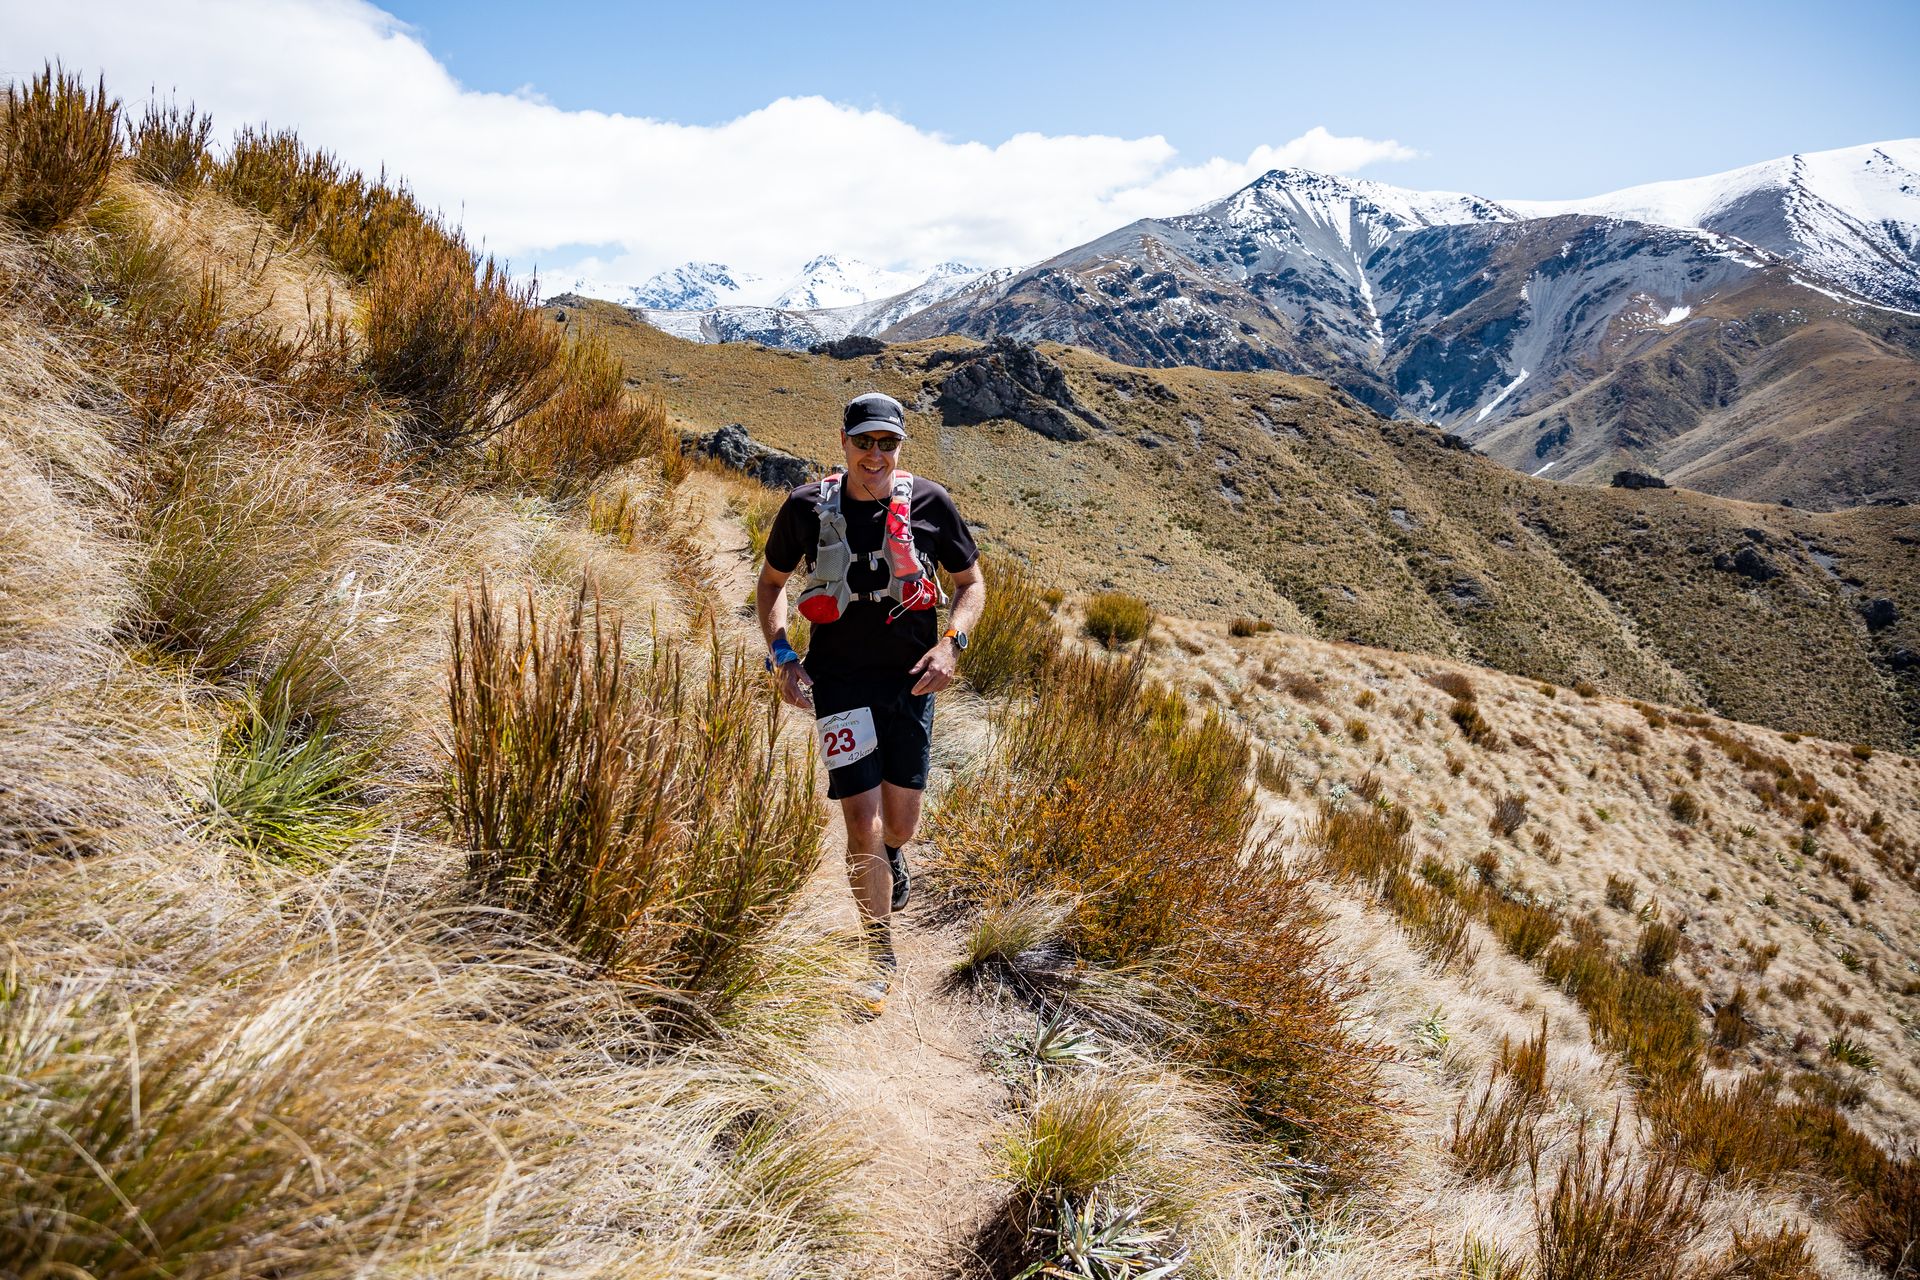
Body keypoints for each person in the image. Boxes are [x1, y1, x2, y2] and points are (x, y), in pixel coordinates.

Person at [756, 391, 984, 1014]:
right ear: (844, 442)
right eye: (864, 442)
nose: (875, 455)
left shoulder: (932, 504)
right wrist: (782, 657)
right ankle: (878, 954)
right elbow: (771, 586)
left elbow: (970, 584)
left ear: (900, 447)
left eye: (888, 443)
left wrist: (952, 645)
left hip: (911, 680)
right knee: (860, 818)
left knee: (899, 823)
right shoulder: (805, 507)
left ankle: (891, 855)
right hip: (838, 686)